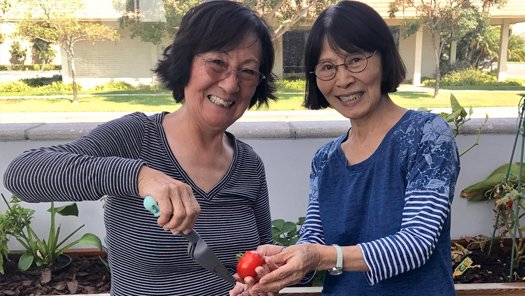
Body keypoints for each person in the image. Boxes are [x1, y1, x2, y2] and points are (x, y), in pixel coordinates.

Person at [4, 1, 276, 295]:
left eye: (247, 71)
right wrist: (139, 177)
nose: (231, 84)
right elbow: (22, 175)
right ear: (186, 63)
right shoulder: (136, 137)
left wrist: (267, 275)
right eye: (218, 62)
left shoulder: (249, 164)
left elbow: (261, 254)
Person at [233, 1, 460, 295]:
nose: (343, 79)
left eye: (355, 60)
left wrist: (324, 256)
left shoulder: (426, 136)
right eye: (328, 67)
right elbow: (313, 244)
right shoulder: (325, 160)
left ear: (383, 56)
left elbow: (416, 244)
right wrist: (279, 265)